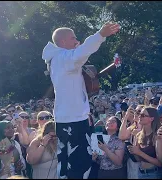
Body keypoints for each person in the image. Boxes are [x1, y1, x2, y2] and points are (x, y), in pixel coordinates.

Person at [42, 22, 120, 178]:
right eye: (73, 38)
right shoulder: (63, 58)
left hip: (68, 118)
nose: (76, 41)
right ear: (63, 42)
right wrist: (100, 35)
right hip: (74, 120)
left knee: (67, 164)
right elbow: (82, 52)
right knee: (80, 165)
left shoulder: (58, 58)